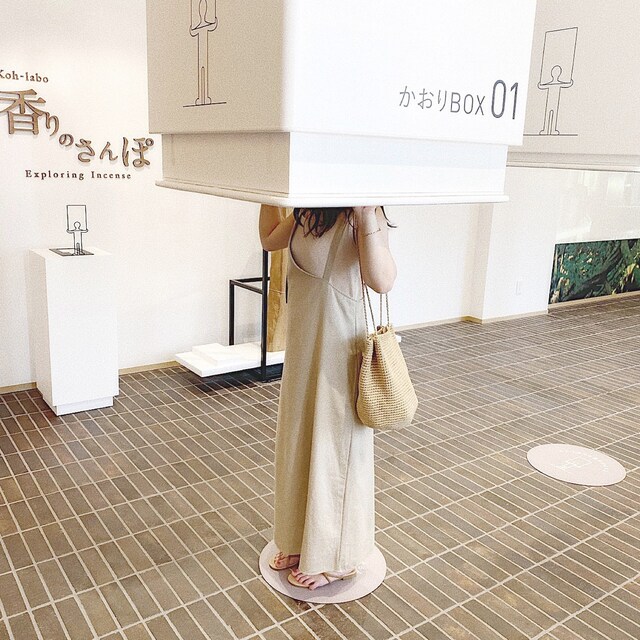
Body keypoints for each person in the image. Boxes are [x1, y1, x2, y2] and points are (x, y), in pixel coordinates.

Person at [259, 205, 396, 590]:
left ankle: (338, 559)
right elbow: (269, 239)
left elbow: (383, 281)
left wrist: (365, 216)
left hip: (340, 355)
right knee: (299, 443)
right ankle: (296, 539)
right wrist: (266, 190)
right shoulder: (308, 211)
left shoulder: (364, 214)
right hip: (303, 352)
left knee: (335, 452)